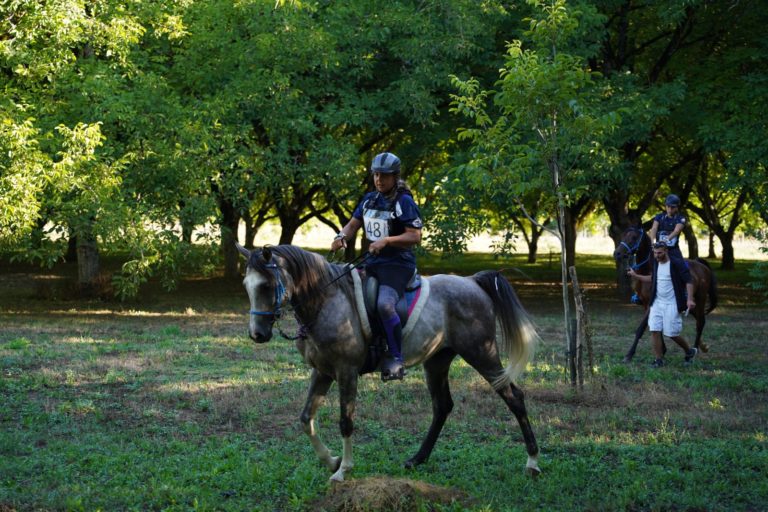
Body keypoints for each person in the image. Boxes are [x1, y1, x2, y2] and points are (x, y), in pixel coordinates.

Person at [330, 152, 423, 381]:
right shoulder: (369, 200)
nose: (379, 179)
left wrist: (387, 241)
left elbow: (415, 236)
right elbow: (352, 225)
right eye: (376, 175)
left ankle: (396, 357)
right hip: (373, 263)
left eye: (385, 175)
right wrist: (341, 236)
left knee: (384, 305)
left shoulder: (404, 202)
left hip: (398, 265)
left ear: (395, 176)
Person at [628, 242, 698, 368]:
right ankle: (659, 360)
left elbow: (688, 281)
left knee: (672, 334)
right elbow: (653, 278)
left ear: (666, 251)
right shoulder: (656, 262)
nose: (657, 255)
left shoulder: (676, 263)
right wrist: (635, 276)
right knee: (654, 330)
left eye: (659, 253)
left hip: (672, 303)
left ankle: (689, 351)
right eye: (655, 253)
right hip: (656, 303)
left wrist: (690, 299)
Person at [647, 194, 687, 262]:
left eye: (673, 207)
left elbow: (676, 231)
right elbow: (654, 229)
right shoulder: (659, 216)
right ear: (665, 206)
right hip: (658, 249)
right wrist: (653, 243)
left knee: (682, 267)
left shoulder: (681, 218)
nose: (670, 209)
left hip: (673, 249)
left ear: (677, 207)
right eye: (668, 206)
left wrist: (664, 241)